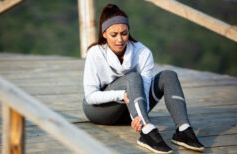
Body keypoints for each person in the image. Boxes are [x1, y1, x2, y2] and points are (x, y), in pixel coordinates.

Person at [82, 3, 204, 153]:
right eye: (114, 35)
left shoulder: (143, 53)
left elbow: (145, 92)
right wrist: (122, 95)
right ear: (105, 34)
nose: (120, 39)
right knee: (133, 78)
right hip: (100, 111)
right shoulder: (95, 53)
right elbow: (90, 97)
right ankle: (147, 132)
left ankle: (184, 130)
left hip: (132, 113)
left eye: (124, 33)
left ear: (129, 31)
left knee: (168, 75)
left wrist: (138, 115)